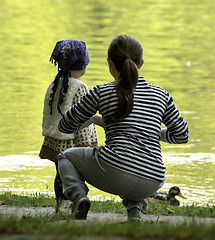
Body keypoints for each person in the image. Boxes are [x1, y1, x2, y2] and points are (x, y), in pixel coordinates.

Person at [57, 35, 189, 221]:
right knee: (134, 163)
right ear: (141, 63)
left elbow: (65, 125)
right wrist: (151, 132)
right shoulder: (160, 95)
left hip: (116, 171)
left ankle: (79, 197)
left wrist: (91, 117)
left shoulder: (101, 92)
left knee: (65, 156)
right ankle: (135, 210)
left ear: (109, 63)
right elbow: (182, 135)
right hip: (153, 178)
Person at [39, 39, 98, 213]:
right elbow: (82, 118)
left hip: (55, 139)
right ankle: (77, 201)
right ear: (82, 64)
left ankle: (62, 206)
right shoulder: (79, 87)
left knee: (60, 173)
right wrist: (86, 143)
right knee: (74, 175)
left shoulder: (54, 84)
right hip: (72, 141)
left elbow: (49, 115)